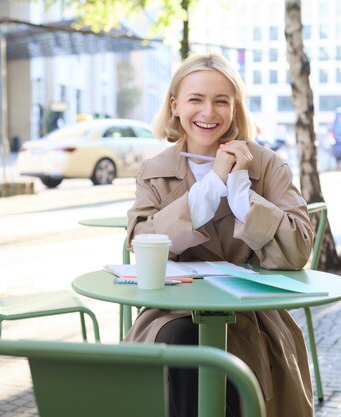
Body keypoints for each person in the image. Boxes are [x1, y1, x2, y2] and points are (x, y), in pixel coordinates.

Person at [125, 53, 315, 417]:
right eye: (196, 99)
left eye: (221, 101)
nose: (208, 112)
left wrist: (241, 190)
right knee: (180, 344)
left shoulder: (267, 165)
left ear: (235, 108)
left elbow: (298, 249)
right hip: (172, 312)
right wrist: (212, 186)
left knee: (234, 364)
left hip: (250, 316)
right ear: (175, 105)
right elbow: (142, 242)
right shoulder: (154, 170)